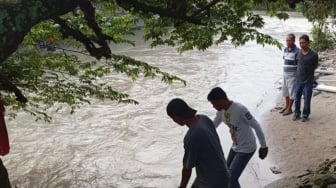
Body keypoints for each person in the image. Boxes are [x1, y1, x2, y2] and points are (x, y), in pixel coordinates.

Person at [207, 87, 268, 188]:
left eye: (214, 103)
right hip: (235, 146)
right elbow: (213, 127)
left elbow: (256, 125)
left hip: (247, 148)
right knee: (226, 174)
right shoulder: (221, 112)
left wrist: (264, 146)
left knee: (231, 177)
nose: (213, 106)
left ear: (221, 100)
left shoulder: (240, 109)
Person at [166, 98, 229, 188]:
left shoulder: (192, 136)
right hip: (221, 171)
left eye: (173, 119)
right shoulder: (204, 118)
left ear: (176, 117)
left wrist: (182, 187)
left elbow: (187, 169)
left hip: (212, 182)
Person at [293, 34, 318, 122]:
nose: (301, 44)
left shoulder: (314, 54)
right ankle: (296, 113)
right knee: (297, 98)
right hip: (298, 80)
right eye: (300, 43)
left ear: (308, 43)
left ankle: (305, 115)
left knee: (307, 99)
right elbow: (296, 63)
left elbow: (315, 66)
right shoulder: (297, 53)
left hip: (308, 81)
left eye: (303, 43)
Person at [280, 33, 300, 116]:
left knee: (292, 92)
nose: (288, 42)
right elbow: (285, 59)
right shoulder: (285, 49)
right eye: (287, 40)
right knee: (285, 91)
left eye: (289, 40)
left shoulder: (297, 51)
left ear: (293, 41)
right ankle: (287, 106)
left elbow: (299, 64)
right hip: (285, 73)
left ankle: (290, 109)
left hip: (292, 74)